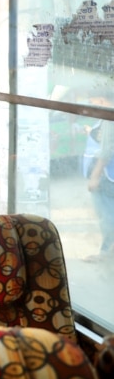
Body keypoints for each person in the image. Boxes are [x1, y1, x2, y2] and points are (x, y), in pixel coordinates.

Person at [83, 93, 114, 262]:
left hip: (106, 177)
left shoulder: (109, 116)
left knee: (107, 215)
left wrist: (94, 176)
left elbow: (108, 149)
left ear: (102, 99)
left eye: (92, 100)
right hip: (108, 176)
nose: (91, 105)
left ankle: (106, 253)